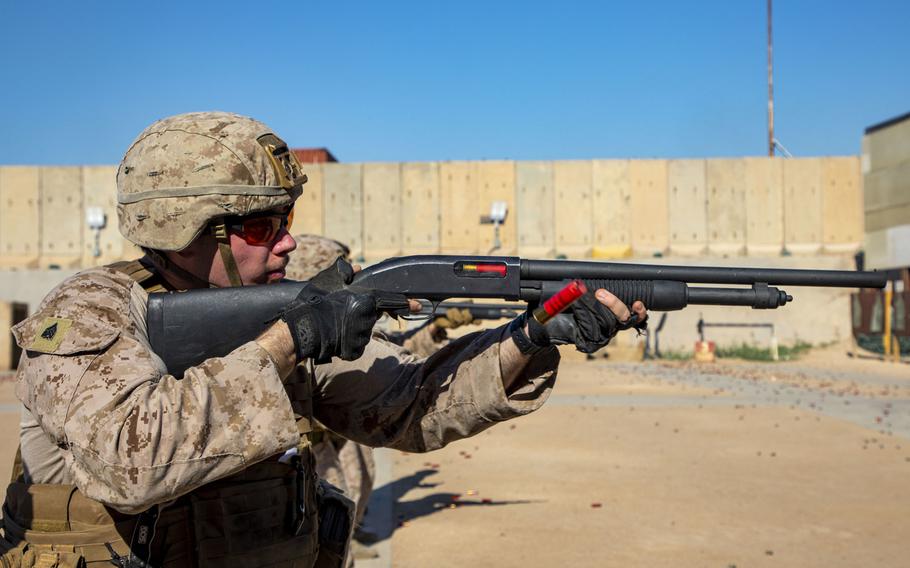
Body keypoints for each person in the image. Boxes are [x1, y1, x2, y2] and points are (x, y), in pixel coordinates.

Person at [1, 111, 647, 568]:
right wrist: (290, 340)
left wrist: (529, 337)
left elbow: (413, 405)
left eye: (287, 221)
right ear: (189, 230)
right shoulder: (93, 310)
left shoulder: (262, 319)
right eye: (261, 227)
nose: (286, 241)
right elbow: (130, 458)